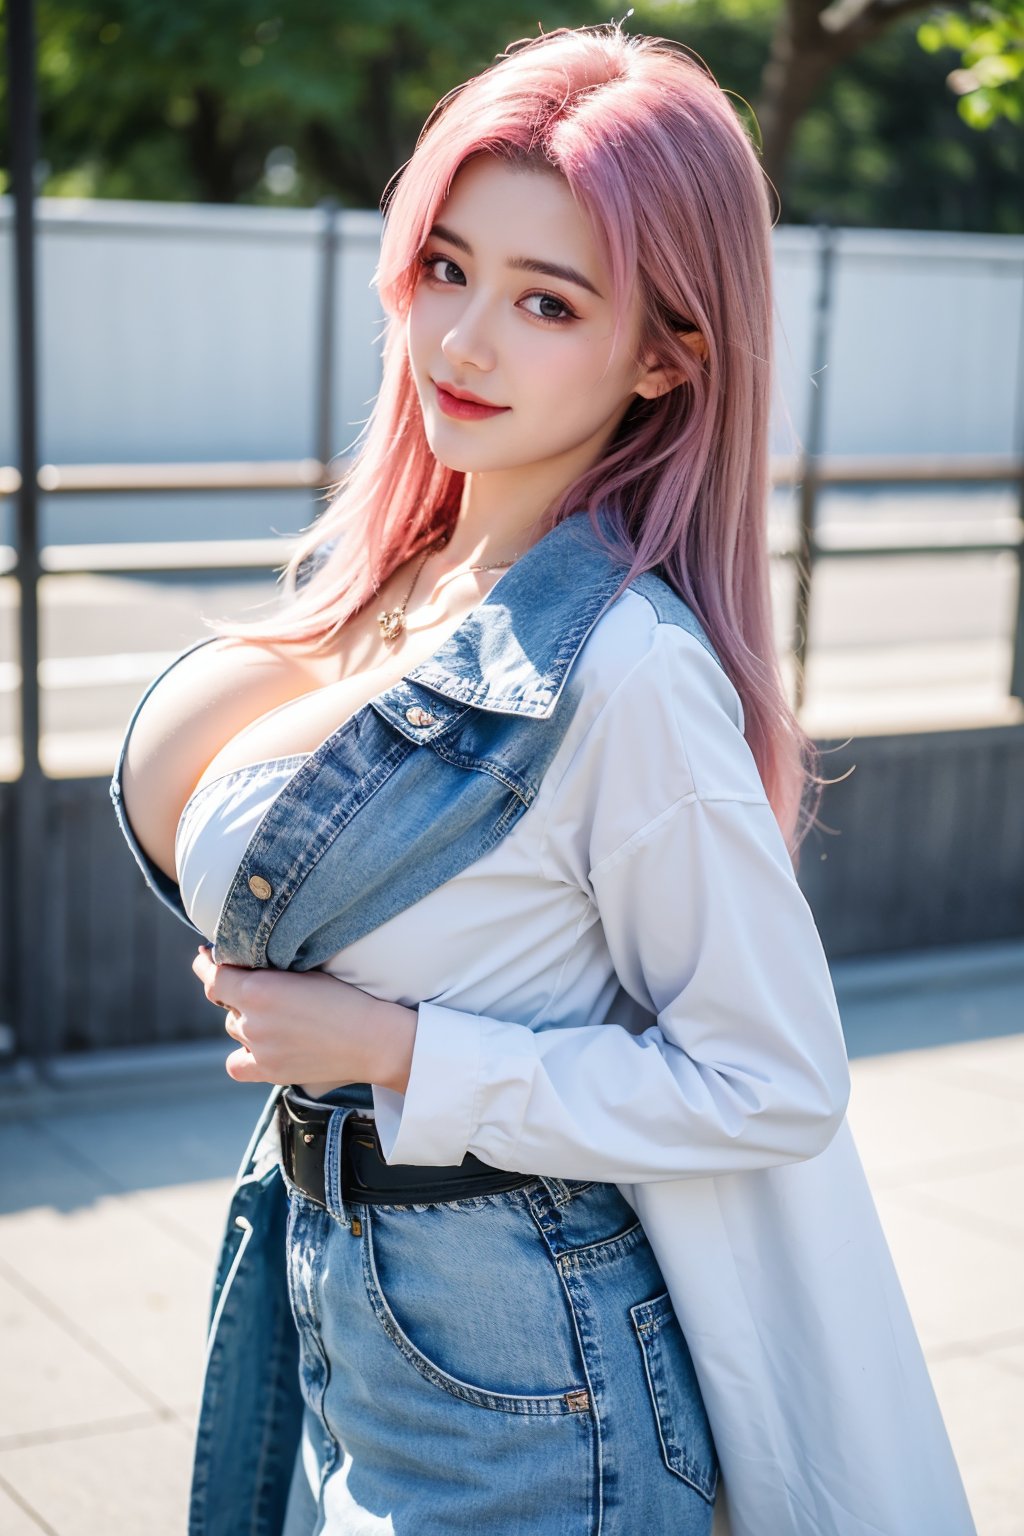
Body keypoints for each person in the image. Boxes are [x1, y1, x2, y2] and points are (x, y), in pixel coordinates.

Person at [111, 23, 976, 1536]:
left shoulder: (628, 673)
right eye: (446, 267)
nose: (462, 342)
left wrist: (401, 1050)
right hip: (333, 1301)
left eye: (546, 301)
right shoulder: (404, 589)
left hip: (524, 1371)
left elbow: (774, 1080)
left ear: (666, 353)